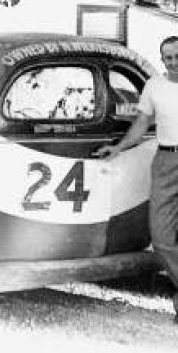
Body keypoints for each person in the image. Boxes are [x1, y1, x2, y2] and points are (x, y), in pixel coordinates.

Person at [97, 35, 178, 322]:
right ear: (162, 60)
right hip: (167, 160)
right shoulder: (154, 86)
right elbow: (142, 122)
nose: (174, 62)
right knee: (161, 237)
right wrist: (118, 147)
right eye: (168, 57)